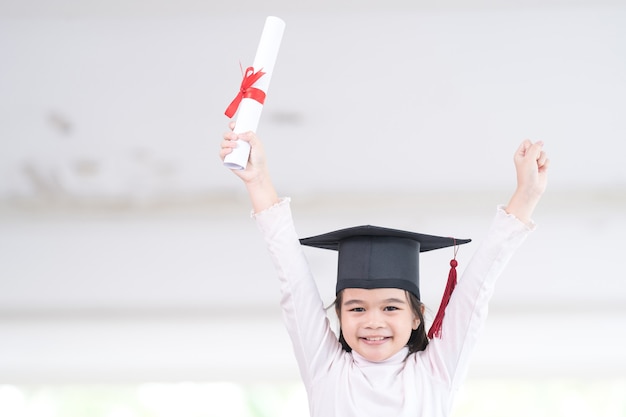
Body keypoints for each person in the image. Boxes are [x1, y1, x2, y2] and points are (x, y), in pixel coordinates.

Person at [219, 124, 549, 417]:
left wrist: (527, 195)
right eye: (357, 308)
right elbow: (292, 276)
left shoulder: (436, 373)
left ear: (417, 316)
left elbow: (478, 288)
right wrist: (258, 179)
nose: (373, 322)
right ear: (339, 315)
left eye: (390, 307)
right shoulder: (326, 370)